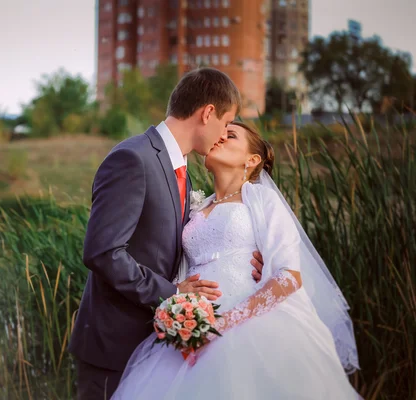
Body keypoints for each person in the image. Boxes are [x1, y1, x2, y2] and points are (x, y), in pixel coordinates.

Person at [111, 121, 361, 399]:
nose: (219, 139)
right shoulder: (195, 206)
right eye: (220, 133)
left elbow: (289, 276)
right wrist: (178, 315)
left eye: (230, 136)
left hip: (250, 322)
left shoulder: (262, 198)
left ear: (251, 160)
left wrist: (222, 324)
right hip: (193, 328)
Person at [68, 68, 265, 400]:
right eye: (225, 123)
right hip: (113, 345)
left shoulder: (183, 171)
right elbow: (103, 252)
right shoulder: (133, 158)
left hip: (159, 345)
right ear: (208, 113)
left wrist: (250, 259)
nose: (222, 135)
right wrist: (172, 292)